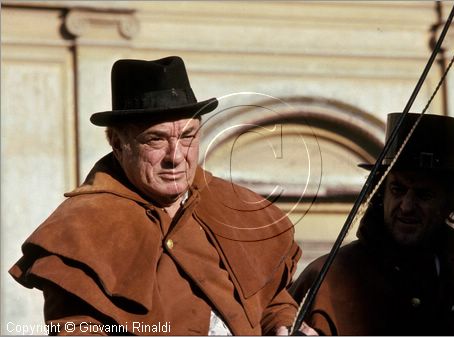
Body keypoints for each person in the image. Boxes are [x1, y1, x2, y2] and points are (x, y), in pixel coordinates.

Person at [9, 56, 313, 336]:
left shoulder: (237, 205)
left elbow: (271, 300)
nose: (176, 156)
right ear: (118, 143)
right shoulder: (79, 229)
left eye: (188, 136)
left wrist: (283, 324)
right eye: (156, 139)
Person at [290, 113, 454, 335]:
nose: (407, 206)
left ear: (449, 204)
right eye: (398, 189)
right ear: (381, 194)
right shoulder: (324, 282)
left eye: (423, 194)